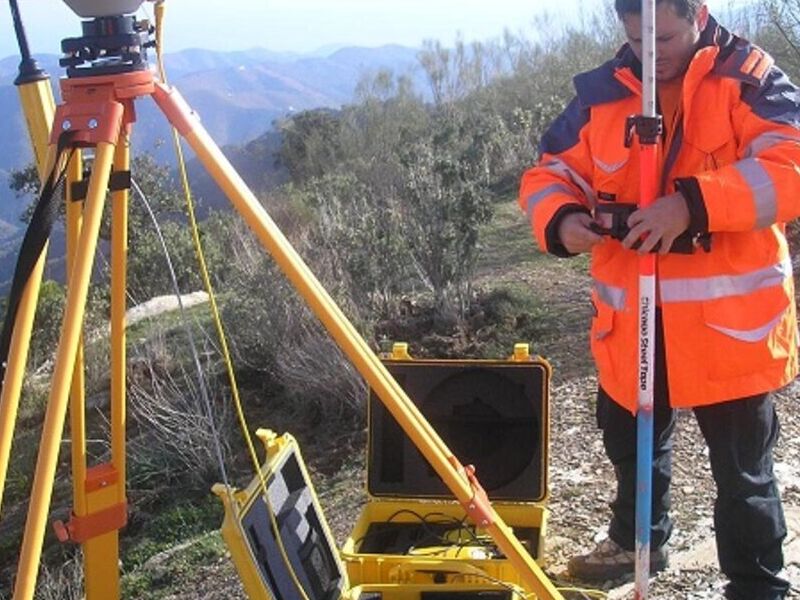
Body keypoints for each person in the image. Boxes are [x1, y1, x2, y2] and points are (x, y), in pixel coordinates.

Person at [518, 1, 799, 598]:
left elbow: (792, 162)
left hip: (729, 330)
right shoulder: (602, 93)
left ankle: (757, 585)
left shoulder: (749, 78)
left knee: (743, 475)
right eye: (638, 38)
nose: (653, 51)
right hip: (633, 322)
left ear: (697, 13)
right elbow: (547, 173)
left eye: (664, 36)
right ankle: (637, 541)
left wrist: (694, 205)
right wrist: (564, 218)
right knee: (630, 443)